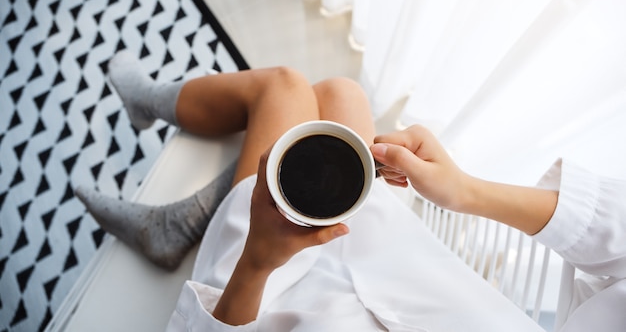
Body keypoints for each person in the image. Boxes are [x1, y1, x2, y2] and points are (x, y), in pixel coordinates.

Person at [76, 51, 626, 331]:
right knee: (339, 95)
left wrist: (256, 263)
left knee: (285, 86)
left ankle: (150, 110)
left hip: (268, 290)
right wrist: (462, 191)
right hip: (396, 258)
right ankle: (193, 210)